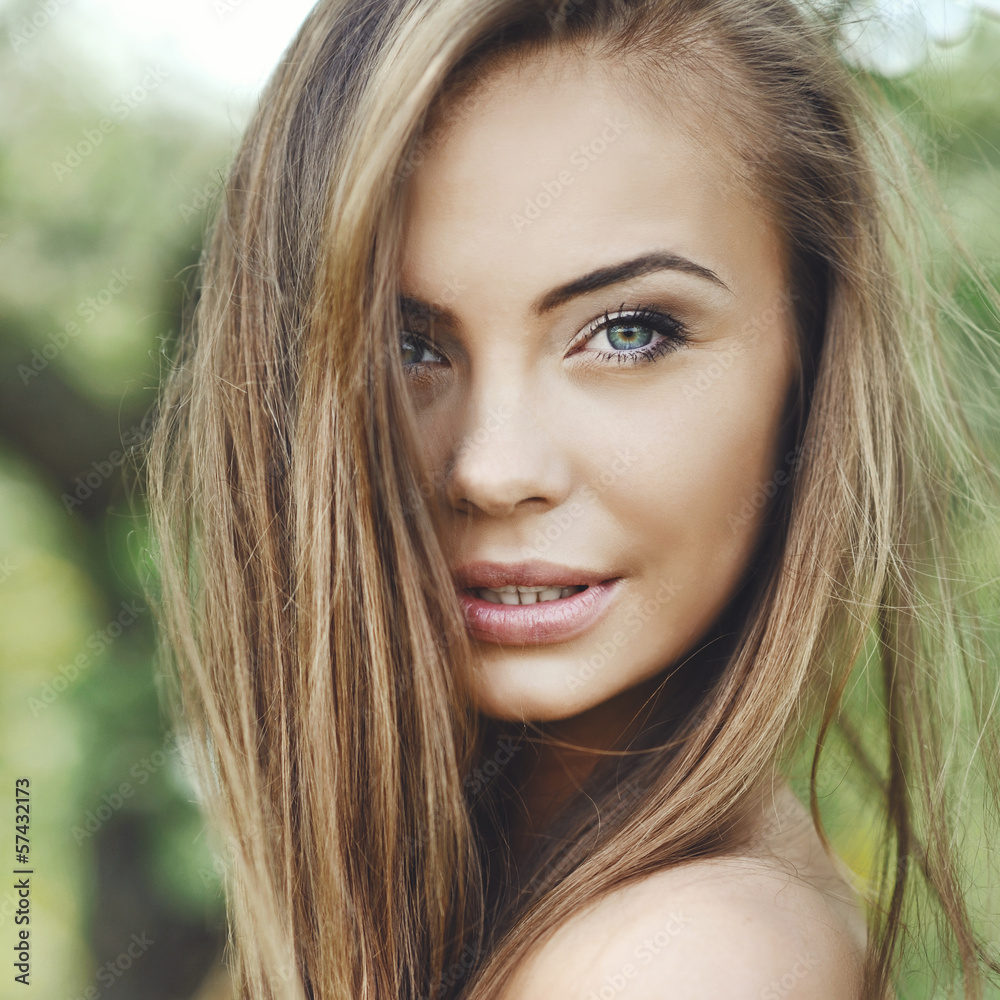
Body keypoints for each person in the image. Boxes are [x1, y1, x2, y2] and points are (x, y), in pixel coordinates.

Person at [142, 1, 1000, 998]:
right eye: (402, 344)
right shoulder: (478, 909)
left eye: (630, 331)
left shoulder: (690, 963)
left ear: (810, 361)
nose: (491, 468)